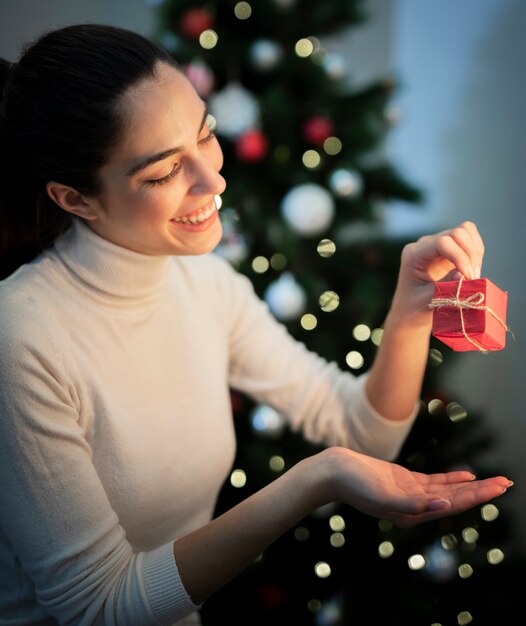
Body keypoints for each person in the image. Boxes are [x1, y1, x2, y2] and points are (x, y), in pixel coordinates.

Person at [0, 23, 512, 626]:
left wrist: (408, 309)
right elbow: (99, 606)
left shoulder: (204, 284)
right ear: (76, 199)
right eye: (163, 172)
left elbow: (363, 431)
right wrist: (314, 478)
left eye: (206, 135)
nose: (214, 181)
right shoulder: (22, 337)